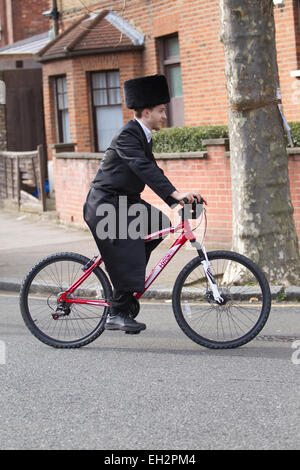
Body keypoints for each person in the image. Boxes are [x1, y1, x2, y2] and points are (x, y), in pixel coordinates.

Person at [84, 74, 201, 333]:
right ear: (146, 111)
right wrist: (174, 194)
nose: (165, 116)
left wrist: (177, 196)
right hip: (106, 205)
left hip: (124, 203)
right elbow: (142, 167)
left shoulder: (142, 135)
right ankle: (116, 311)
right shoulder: (128, 135)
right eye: (161, 111)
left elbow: (152, 169)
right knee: (130, 250)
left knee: (159, 224)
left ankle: (125, 295)